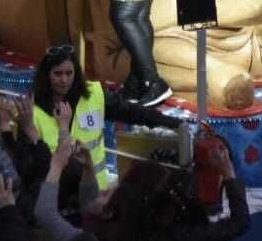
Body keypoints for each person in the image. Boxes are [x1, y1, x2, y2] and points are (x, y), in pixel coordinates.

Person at [27, 42, 180, 192]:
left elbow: (131, 112)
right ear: (46, 76)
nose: (64, 80)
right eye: (58, 74)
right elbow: (31, 167)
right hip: (60, 197)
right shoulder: (32, 113)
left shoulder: (94, 95)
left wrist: (171, 122)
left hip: (95, 192)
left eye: (69, 73)